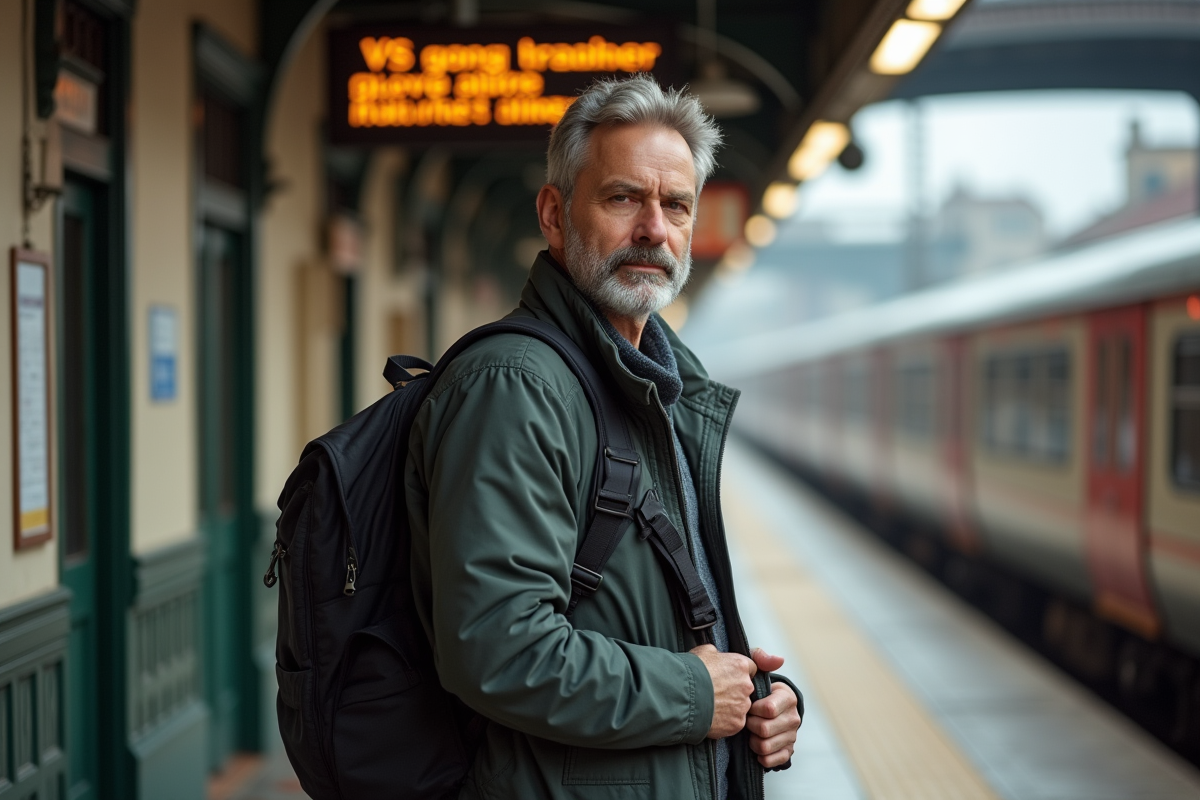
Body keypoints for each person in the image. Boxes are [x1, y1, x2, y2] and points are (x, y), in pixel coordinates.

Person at [405, 73, 802, 800]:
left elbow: (651, 610)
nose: (654, 228)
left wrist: (757, 697)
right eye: (624, 198)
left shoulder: (657, 385)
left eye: (676, 204)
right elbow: (497, 646)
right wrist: (691, 690)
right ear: (555, 214)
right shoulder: (516, 387)